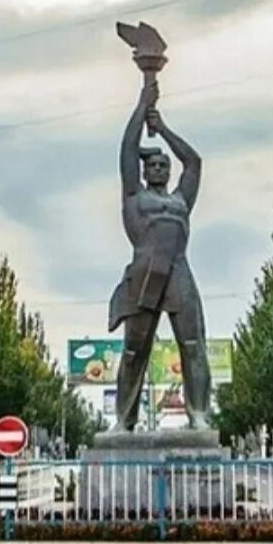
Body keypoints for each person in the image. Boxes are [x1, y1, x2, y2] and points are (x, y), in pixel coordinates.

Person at [108, 78, 211, 430]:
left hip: (179, 274)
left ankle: (197, 414)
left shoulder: (180, 200)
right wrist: (142, 105)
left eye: (163, 166)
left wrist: (162, 128)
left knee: (194, 345)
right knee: (135, 352)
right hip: (145, 274)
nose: (158, 169)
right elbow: (126, 147)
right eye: (152, 165)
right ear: (143, 171)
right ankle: (124, 421)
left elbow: (194, 162)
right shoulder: (135, 198)